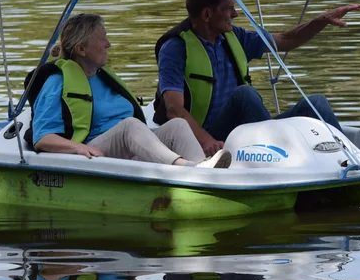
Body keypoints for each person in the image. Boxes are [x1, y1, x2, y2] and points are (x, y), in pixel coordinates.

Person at [154, 0, 360, 156]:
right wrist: (207, 140)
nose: (235, 14)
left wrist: (321, 20)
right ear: (207, 15)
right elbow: (174, 109)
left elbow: (287, 39)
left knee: (316, 103)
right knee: (245, 94)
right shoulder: (175, 48)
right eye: (228, 9)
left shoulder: (234, 37)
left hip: (245, 132)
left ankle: (355, 159)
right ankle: (283, 158)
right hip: (205, 138)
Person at [28, 13, 231, 168]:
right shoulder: (56, 81)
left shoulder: (104, 77)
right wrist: (79, 147)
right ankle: (186, 168)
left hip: (129, 145)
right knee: (130, 126)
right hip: (95, 150)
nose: (108, 44)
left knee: (177, 124)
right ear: (81, 49)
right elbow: (42, 138)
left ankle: (204, 171)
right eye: (102, 39)